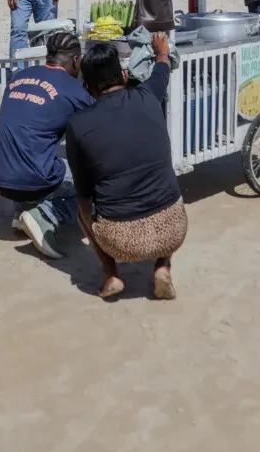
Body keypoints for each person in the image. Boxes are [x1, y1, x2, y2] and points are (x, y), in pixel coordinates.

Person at [66, 34, 186, 299]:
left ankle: (111, 274)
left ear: (88, 87)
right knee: (165, 184)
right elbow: (162, 70)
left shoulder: (78, 125)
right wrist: (161, 50)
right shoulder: (148, 95)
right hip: (173, 231)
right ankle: (163, 267)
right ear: (123, 75)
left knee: (81, 206)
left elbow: (84, 193)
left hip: (119, 241)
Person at [0, 33, 93, 259]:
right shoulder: (74, 91)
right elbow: (99, 131)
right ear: (76, 60)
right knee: (99, 181)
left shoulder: (19, 76)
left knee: (35, 151)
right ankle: (46, 215)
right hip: (29, 180)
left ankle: (22, 209)